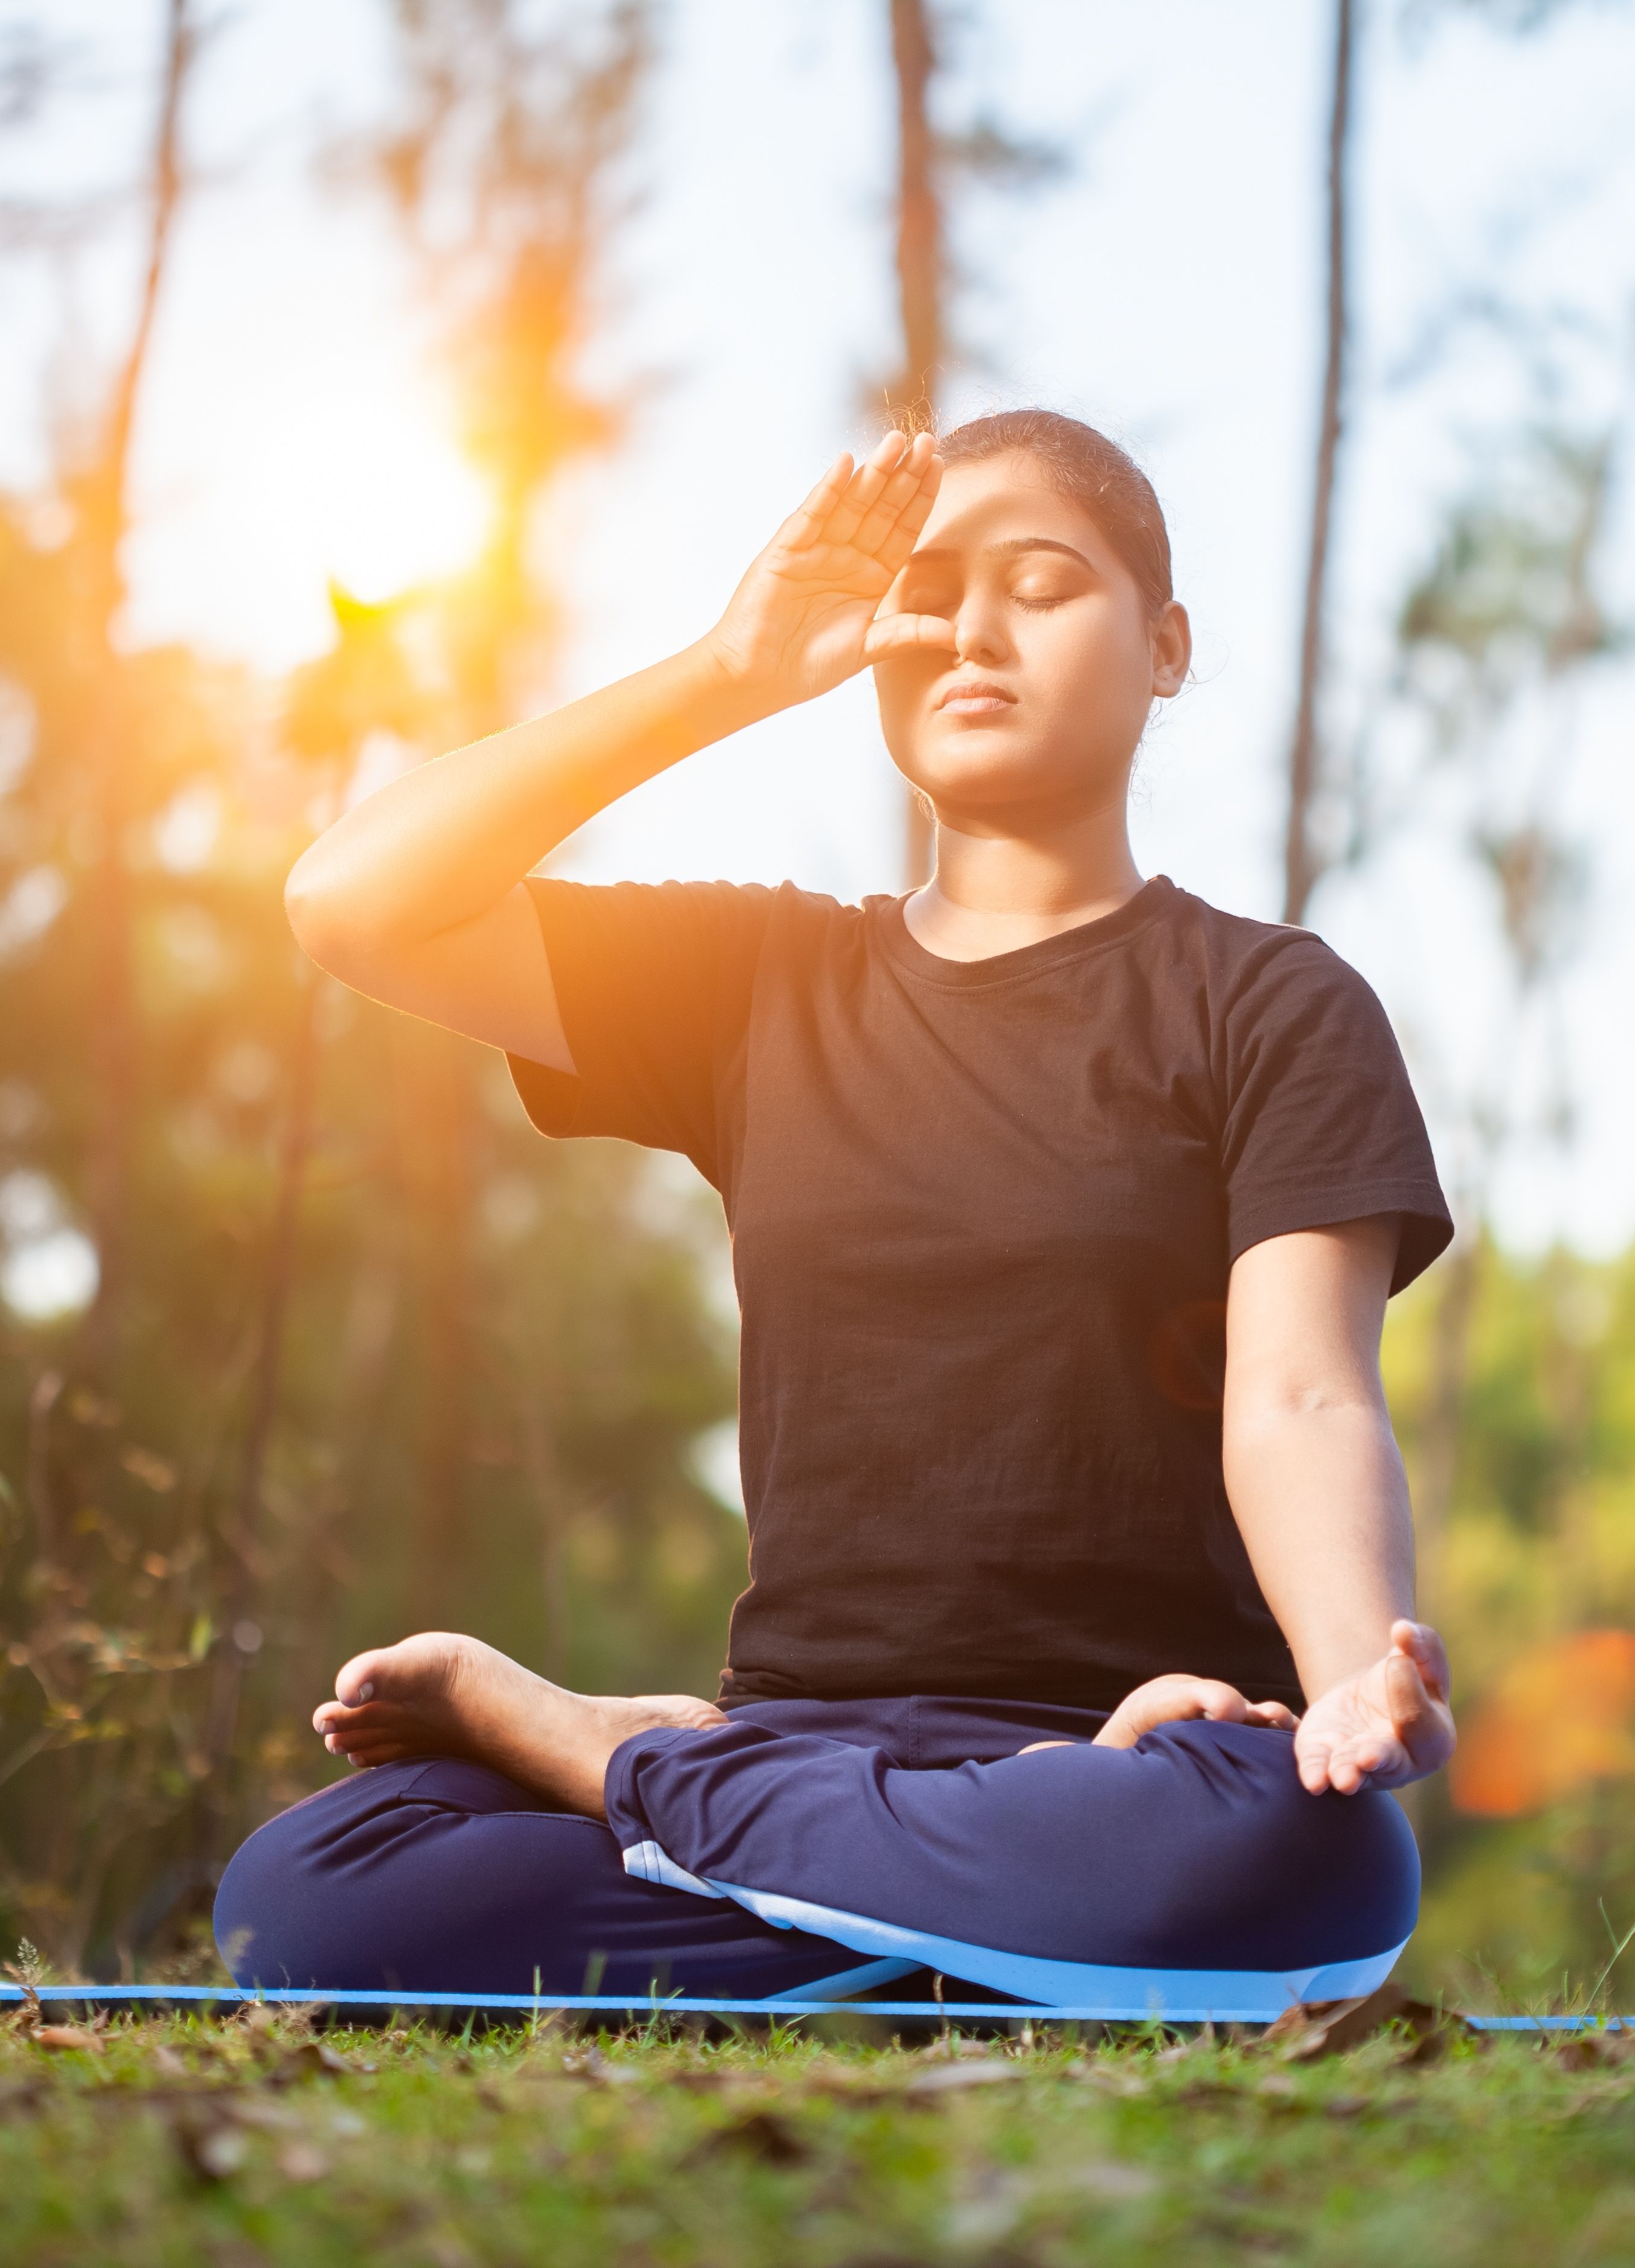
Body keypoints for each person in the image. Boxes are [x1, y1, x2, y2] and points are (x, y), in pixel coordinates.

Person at [214, 411, 1456, 2012]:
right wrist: (731, 666)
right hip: (799, 1740)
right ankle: (955, 1926)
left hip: (1127, 1758)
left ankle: (643, 1783)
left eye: (1041, 582)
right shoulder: (762, 984)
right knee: (307, 1891)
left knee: (1313, 1852)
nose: (975, 629)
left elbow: (1302, 1392)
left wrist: (1356, 1683)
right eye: (930, 593)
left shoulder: (1272, 1005)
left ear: (1166, 649)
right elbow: (350, 901)